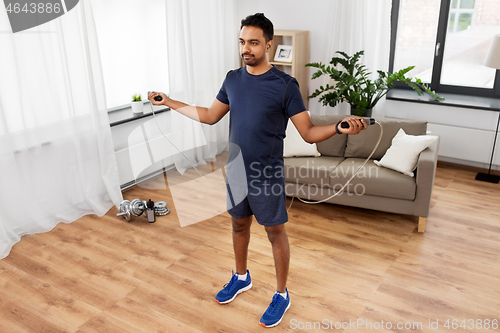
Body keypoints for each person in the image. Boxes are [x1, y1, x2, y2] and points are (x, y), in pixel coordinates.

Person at [149, 12, 367, 328]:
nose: (246, 49)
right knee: (238, 226)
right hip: (236, 170)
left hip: (267, 174)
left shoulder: (285, 85)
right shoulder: (232, 79)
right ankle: (241, 277)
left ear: (268, 44)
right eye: (242, 42)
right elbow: (210, 116)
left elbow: (307, 132)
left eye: (253, 42)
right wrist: (169, 101)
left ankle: (281, 294)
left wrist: (338, 127)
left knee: (275, 232)